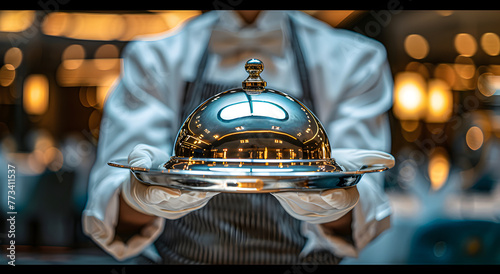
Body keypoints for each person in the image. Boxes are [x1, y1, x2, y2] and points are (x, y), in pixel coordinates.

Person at [82, 10, 395, 264]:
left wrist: (335, 201)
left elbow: (359, 223)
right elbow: (110, 212)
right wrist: (141, 192)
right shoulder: (152, 57)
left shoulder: (357, 59)